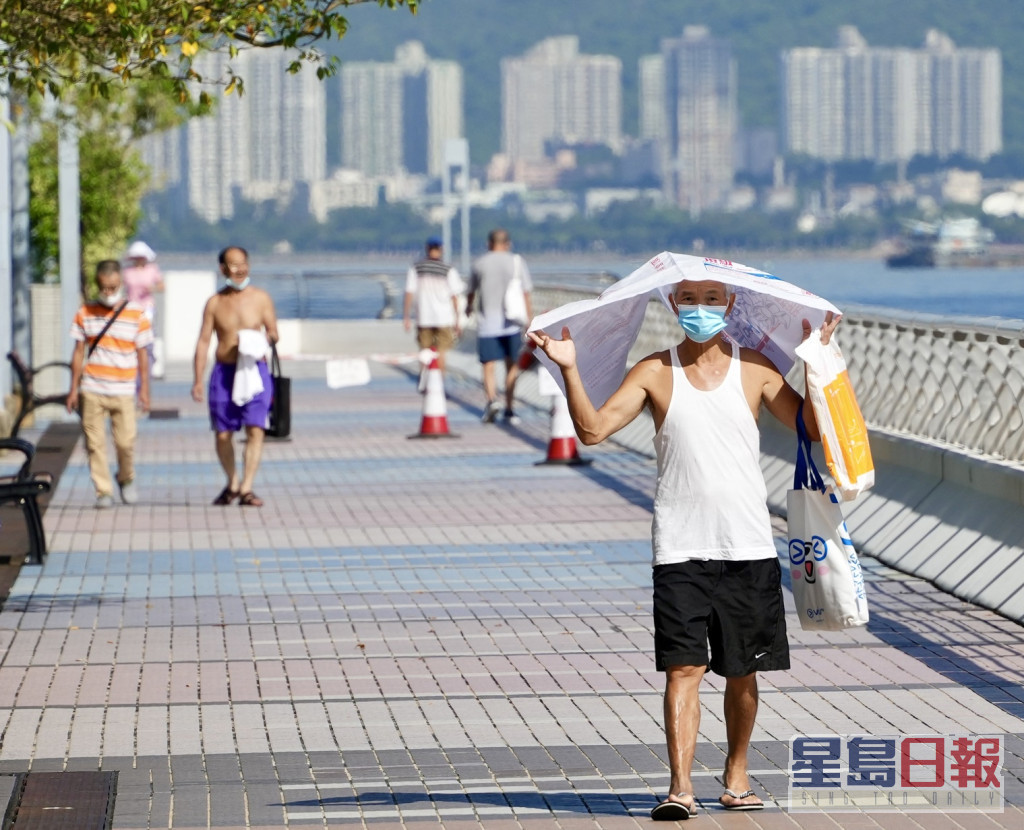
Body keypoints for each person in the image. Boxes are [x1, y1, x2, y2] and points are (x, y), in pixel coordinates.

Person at [529, 279, 841, 819]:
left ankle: (737, 776)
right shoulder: (654, 370)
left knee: (744, 672)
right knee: (684, 669)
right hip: (679, 545)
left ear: (731, 304)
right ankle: (680, 788)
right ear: (673, 305)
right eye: (690, 300)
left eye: (712, 299)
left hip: (747, 543)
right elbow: (594, 430)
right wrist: (569, 366)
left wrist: (815, 362)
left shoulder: (758, 369)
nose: (701, 309)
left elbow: (811, 427)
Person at [191, 246, 279, 507]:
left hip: (254, 371)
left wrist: (258, 340)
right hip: (224, 373)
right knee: (222, 433)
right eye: (233, 265)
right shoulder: (215, 303)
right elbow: (204, 342)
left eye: (243, 264)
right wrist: (197, 379)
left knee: (255, 428)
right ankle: (232, 481)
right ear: (222, 269)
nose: (239, 270)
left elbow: (274, 332)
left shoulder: (261, 298)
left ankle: (247, 488)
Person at [66, 260, 153, 509]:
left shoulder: (137, 314)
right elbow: (78, 353)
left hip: (124, 389)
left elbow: (142, 355)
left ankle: (126, 477)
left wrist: (144, 390)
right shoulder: (85, 312)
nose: (108, 292)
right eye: (104, 288)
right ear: (97, 285)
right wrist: (73, 389)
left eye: (113, 287)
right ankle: (103, 490)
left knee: (126, 442)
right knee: (94, 444)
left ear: (121, 284)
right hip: (92, 388)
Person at [466, 228, 532, 425]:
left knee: (488, 365)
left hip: (487, 323)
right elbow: (526, 293)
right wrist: (529, 319)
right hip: (511, 323)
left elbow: (471, 291)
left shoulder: (480, 263)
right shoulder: (516, 262)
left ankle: (492, 400)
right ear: (508, 244)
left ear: (489, 243)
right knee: (512, 365)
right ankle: (510, 408)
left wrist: (468, 306)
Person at [402, 236, 463, 372]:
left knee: (425, 352)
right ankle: (439, 382)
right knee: (441, 352)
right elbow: (455, 297)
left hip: (423, 316)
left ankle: (425, 381)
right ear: (441, 249)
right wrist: (458, 319)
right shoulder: (448, 269)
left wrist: (406, 316)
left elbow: (409, 293)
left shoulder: (416, 268)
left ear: (427, 248)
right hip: (444, 318)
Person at [122, 240, 165, 382]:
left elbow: (161, 286)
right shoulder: (127, 272)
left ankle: (149, 362)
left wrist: (151, 288)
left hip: (147, 308)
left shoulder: (152, 269)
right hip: (131, 308)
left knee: (147, 337)